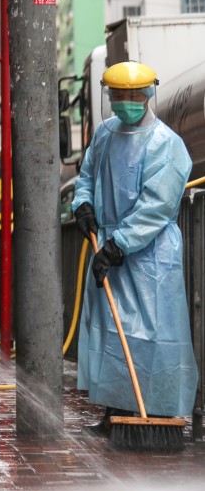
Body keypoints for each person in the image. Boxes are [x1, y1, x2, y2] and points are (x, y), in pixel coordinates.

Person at [72, 61, 197, 434]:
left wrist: (119, 244)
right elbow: (87, 175)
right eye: (118, 95)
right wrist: (84, 206)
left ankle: (158, 414)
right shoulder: (106, 133)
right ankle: (115, 412)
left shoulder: (167, 144)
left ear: (149, 94)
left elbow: (156, 206)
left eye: (133, 95)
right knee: (113, 332)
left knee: (154, 334)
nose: (125, 101)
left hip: (150, 258)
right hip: (109, 248)